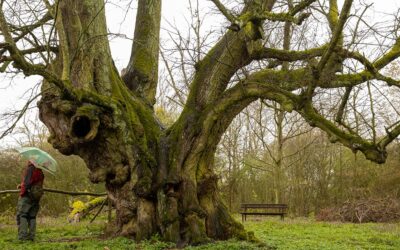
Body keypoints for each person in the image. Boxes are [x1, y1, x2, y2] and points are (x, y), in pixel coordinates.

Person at [16, 161, 44, 241]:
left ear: (32, 161)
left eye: (29, 159)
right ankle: (32, 237)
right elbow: (35, 183)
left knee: (22, 215)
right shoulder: (40, 171)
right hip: (36, 197)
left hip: (27, 196)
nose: (27, 161)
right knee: (32, 217)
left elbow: (27, 183)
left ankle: (23, 237)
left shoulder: (30, 169)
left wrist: (23, 188)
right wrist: (21, 185)